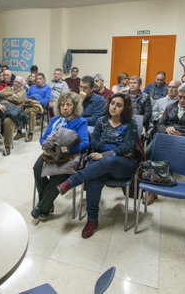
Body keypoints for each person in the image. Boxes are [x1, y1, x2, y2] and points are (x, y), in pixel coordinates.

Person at [57, 93, 139, 239]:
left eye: (118, 105)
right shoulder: (101, 121)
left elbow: (128, 146)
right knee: (95, 175)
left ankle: (72, 181)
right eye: (112, 103)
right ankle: (92, 220)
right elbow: (94, 143)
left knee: (110, 161)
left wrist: (106, 153)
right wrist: (113, 149)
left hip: (124, 166)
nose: (114, 107)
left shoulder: (131, 124)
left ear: (124, 108)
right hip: (102, 161)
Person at [31, 92, 89, 221]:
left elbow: (85, 144)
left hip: (68, 157)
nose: (65, 107)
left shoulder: (81, 121)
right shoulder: (55, 119)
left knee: (58, 176)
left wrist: (65, 149)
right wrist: (48, 146)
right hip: (50, 154)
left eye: (69, 104)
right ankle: (47, 204)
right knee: (37, 169)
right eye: (62, 104)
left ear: (75, 107)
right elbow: (43, 138)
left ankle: (42, 208)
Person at [14, 73, 51, 142]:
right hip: (29, 104)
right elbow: (27, 95)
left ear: (44, 80)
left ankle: (29, 133)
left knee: (31, 113)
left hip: (39, 106)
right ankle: (20, 132)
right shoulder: (32, 87)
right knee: (20, 110)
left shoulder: (47, 88)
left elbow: (47, 100)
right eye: (37, 79)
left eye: (40, 79)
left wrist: (37, 102)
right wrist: (28, 100)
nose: (38, 80)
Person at [0, 76, 27, 155]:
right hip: (2, 109)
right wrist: (11, 94)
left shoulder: (23, 90)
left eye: (18, 83)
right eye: (15, 81)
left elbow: (17, 99)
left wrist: (6, 98)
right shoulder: (8, 88)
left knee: (7, 122)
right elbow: (0, 94)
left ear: (21, 84)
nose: (16, 84)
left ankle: (7, 146)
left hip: (13, 112)